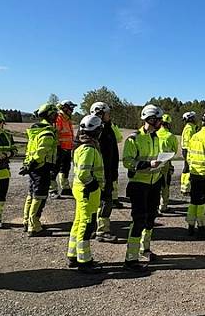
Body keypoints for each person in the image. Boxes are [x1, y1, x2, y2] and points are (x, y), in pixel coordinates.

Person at [121, 104, 166, 268]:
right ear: (151, 119)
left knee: (150, 219)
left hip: (154, 183)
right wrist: (148, 164)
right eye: (159, 119)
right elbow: (127, 162)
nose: (161, 122)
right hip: (139, 185)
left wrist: (161, 165)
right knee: (139, 221)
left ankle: (144, 249)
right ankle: (130, 258)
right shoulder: (134, 138)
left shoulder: (156, 137)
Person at [67, 115, 104, 273]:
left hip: (81, 189)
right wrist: (93, 183)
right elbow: (83, 173)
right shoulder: (89, 148)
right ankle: (84, 261)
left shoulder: (81, 145)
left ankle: (72, 254)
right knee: (86, 224)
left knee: (78, 222)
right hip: (87, 191)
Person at [21, 103, 59, 236]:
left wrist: (28, 165)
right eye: (55, 114)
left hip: (33, 167)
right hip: (42, 167)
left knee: (31, 195)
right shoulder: (47, 132)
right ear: (49, 115)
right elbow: (41, 151)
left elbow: (30, 150)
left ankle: (26, 221)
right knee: (40, 196)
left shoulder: (36, 131)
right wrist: (34, 163)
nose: (56, 117)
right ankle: (34, 226)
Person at [89, 101, 120, 242]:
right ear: (100, 114)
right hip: (101, 173)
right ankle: (101, 230)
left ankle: (94, 229)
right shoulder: (98, 131)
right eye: (107, 113)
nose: (109, 116)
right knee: (104, 202)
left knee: (101, 202)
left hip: (106, 172)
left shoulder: (105, 128)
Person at [52, 100, 76, 198]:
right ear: (65, 108)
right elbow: (56, 132)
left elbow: (70, 133)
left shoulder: (68, 119)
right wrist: (58, 146)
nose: (72, 110)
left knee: (65, 168)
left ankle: (65, 188)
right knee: (55, 169)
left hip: (67, 147)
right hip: (60, 147)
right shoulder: (59, 118)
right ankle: (52, 190)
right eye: (71, 108)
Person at [157, 113, 179, 213]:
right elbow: (174, 151)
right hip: (166, 162)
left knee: (154, 183)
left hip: (154, 161)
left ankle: (154, 206)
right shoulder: (171, 136)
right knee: (165, 185)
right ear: (169, 124)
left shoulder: (155, 134)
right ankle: (163, 206)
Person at [178, 111, 199, 197]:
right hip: (188, 150)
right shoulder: (189, 128)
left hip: (187, 150)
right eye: (194, 118)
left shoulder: (190, 127)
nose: (195, 119)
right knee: (188, 169)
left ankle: (185, 188)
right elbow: (189, 141)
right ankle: (185, 188)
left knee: (186, 168)